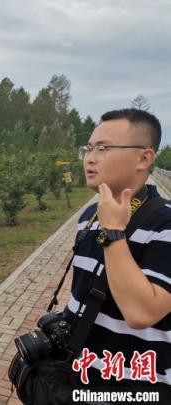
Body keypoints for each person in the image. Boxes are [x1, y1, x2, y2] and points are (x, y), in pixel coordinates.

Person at [66, 108, 171, 399]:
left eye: (103, 148)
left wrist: (113, 230)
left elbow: (142, 312)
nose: (90, 157)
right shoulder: (89, 214)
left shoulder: (165, 224)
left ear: (144, 158)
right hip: (80, 375)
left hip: (136, 385)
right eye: (88, 148)